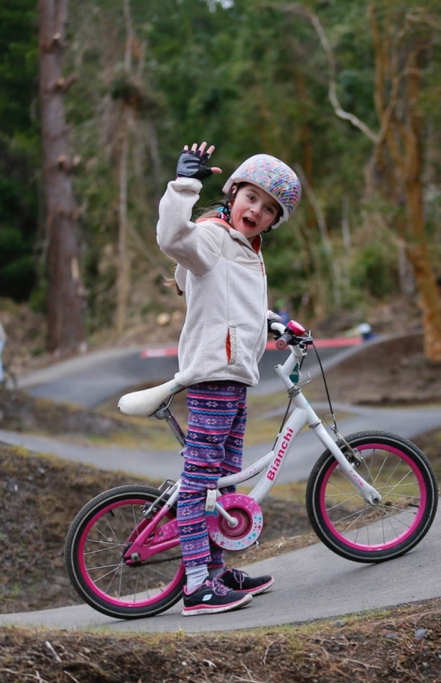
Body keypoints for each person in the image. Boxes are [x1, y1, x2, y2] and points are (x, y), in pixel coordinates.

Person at [157, 140, 301, 616]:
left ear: (274, 221)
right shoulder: (214, 238)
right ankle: (197, 584)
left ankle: (216, 572)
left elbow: (237, 307)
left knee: (223, 482)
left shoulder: (247, 250)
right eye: (251, 197)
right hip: (212, 376)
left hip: (236, 379)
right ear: (233, 191)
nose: (256, 210)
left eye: (269, 208)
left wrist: (273, 322)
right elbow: (173, 239)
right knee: (201, 481)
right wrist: (184, 184)